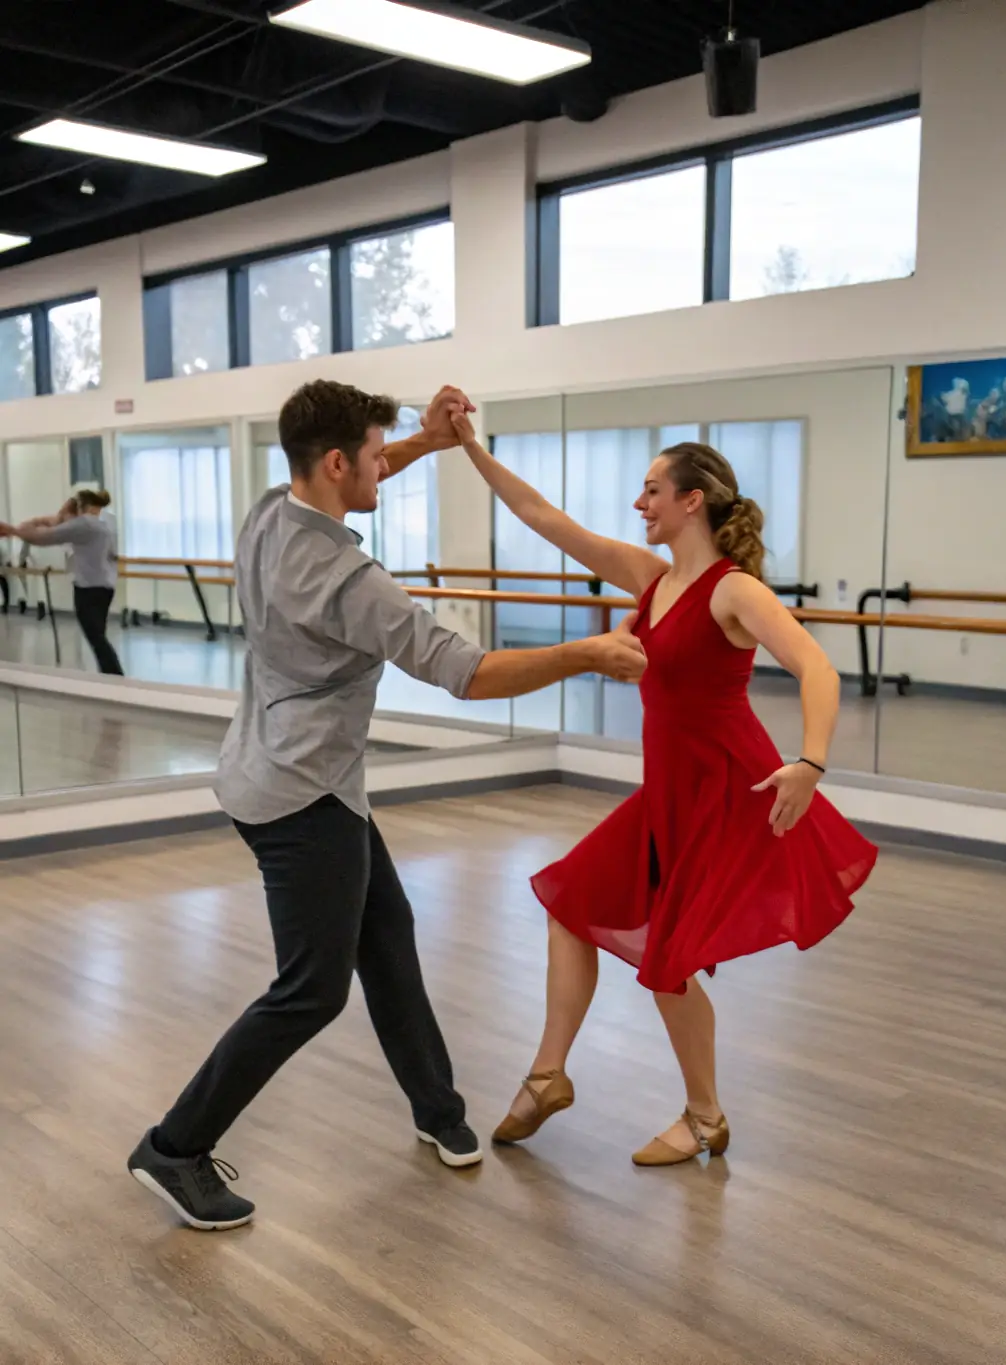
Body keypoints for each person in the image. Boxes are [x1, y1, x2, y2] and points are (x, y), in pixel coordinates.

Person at [127, 380, 647, 1231]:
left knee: (389, 930)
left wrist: (430, 443)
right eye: (375, 454)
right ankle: (175, 1145)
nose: (383, 465)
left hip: (290, 773)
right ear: (336, 463)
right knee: (311, 990)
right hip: (303, 799)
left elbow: (360, 466)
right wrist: (587, 652)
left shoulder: (270, 509)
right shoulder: (348, 577)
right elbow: (467, 673)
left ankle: (436, 1107)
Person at [453, 415, 878, 1167]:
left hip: (726, 794)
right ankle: (549, 1075)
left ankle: (705, 1116)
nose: (638, 503)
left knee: (667, 967)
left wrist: (809, 764)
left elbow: (818, 667)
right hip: (666, 798)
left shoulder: (732, 591)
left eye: (651, 490)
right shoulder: (653, 582)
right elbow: (543, 518)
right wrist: (471, 448)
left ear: (692, 501)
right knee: (570, 905)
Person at [0, 492, 123, 674]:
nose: (59, 515)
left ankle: (115, 677)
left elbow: (43, 537)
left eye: (63, 511)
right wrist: (38, 522)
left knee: (96, 637)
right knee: (98, 636)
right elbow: (51, 523)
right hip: (103, 587)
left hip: (89, 589)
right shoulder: (100, 523)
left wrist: (12, 530)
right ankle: (109, 675)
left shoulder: (83, 525)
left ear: (79, 509)